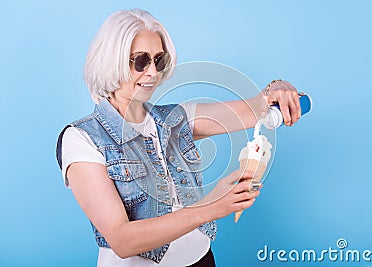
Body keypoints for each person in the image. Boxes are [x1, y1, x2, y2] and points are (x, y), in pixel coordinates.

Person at [56, 8, 301, 267]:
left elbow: (255, 109)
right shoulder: (82, 138)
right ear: (111, 61)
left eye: (159, 61)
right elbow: (122, 239)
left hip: (201, 260)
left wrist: (278, 87)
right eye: (140, 61)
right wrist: (211, 207)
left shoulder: (175, 119)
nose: (152, 72)